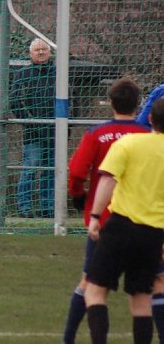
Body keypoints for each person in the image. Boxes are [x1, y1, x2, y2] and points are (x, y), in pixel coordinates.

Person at [62, 78, 149, 344]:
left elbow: (76, 172)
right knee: (149, 289)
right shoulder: (149, 137)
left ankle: (68, 338)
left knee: (91, 284)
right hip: (145, 220)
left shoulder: (96, 135)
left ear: (111, 103)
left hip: (104, 222)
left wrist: (79, 197)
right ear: (139, 103)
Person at [84, 97, 164, 344]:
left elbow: (108, 180)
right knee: (141, 300)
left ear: (149, 118)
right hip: (153, 233)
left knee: (95, 291)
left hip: (121, 226)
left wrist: (96, 217)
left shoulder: (129, 143)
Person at [11, 37, 57, 218]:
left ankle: (48, 208)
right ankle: (25, 208)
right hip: (33, 133)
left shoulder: (59, 73)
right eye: (36, 50)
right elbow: (15, 102)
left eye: (43, 49)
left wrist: (68, 124)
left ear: (50, 52)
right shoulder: (23, 74)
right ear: (30, 53)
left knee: (51, 170)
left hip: (56, 132)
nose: (40, 52)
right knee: (30, 168)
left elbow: (73, 100)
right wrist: (31, 122)